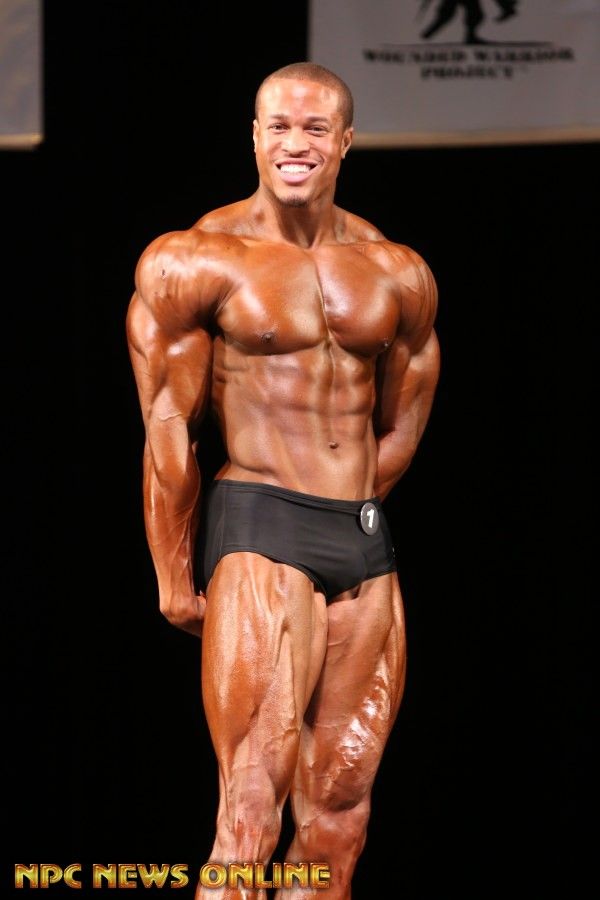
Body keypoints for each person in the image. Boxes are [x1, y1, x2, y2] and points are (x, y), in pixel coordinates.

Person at [126, 61, 440, 899]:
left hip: (362, 541)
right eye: (279, 127)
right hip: (262, 525)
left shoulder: (395, 269)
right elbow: (169, 424)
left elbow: (403, 422)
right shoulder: (197, 259)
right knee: (250, 813)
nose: (295, 144)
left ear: (345, 141)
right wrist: (171, 572)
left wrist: (345, 507)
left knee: (340, 817)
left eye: (314, 128)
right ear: (255, 137)